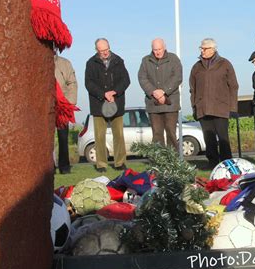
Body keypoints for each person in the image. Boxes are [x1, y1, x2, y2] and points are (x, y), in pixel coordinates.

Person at [189, 38, 239, 168]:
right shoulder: (197, 66)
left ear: (213, 49)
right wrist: (195, 107)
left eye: (204, 48)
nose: (202, 51)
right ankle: (212, 164)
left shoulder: (225, 64)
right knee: (208, 139)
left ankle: (227, 164)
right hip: (203, 108)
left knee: (223, 138)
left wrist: (233, 107)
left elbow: (233, 86)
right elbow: (192, 89)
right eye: (201, 48)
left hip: (221, 108)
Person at [85, 38, 130, 172]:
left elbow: (126, 80)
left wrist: (114, 92)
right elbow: (89, 84)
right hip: (98, 104)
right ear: (96, 50)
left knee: (119, 135)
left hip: (117, 102)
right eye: (101, 51)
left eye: (106, 50)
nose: (104, 53)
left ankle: (120, 162)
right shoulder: (91, 63)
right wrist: (103, 94)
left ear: (109, 47)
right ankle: (101, 164)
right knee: (99, 136)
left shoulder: (118, 61)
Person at [138, 38, 183, 150]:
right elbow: (142, 78)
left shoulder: (173, 59)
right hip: (153, 103)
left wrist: (163, 91)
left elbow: (177, 77)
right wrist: (154, 92)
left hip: (171, 104)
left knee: (171, 133)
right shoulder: (145, 60)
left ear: (164, 47)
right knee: (157, 134)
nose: (157, 52)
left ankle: (173, 162)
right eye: (155, 49)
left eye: (159, 49)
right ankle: (158, 162)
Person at [54, 53, 78, 174]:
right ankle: (49, 166)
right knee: (46, 140)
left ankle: (64, 166)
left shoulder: (65, 63)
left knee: (63, 138)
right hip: (44, 107)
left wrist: (69, 102)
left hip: (62, 106)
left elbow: (72, 83)